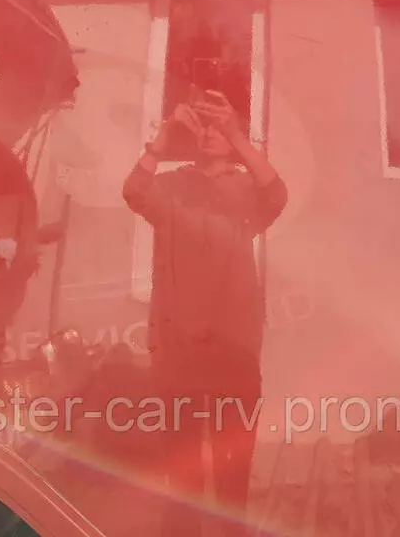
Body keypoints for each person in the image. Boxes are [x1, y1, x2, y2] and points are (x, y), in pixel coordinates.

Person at [123, 90, 287, 535]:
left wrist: (237, 137)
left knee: (232, 481)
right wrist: (163, 140)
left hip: (234, 353)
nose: (211, 133)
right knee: (183, 482)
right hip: (179, 351)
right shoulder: (172, 187)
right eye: (204, 125)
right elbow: (134, 191)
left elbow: (277, 195)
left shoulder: (245, 191)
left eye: (221, 125)